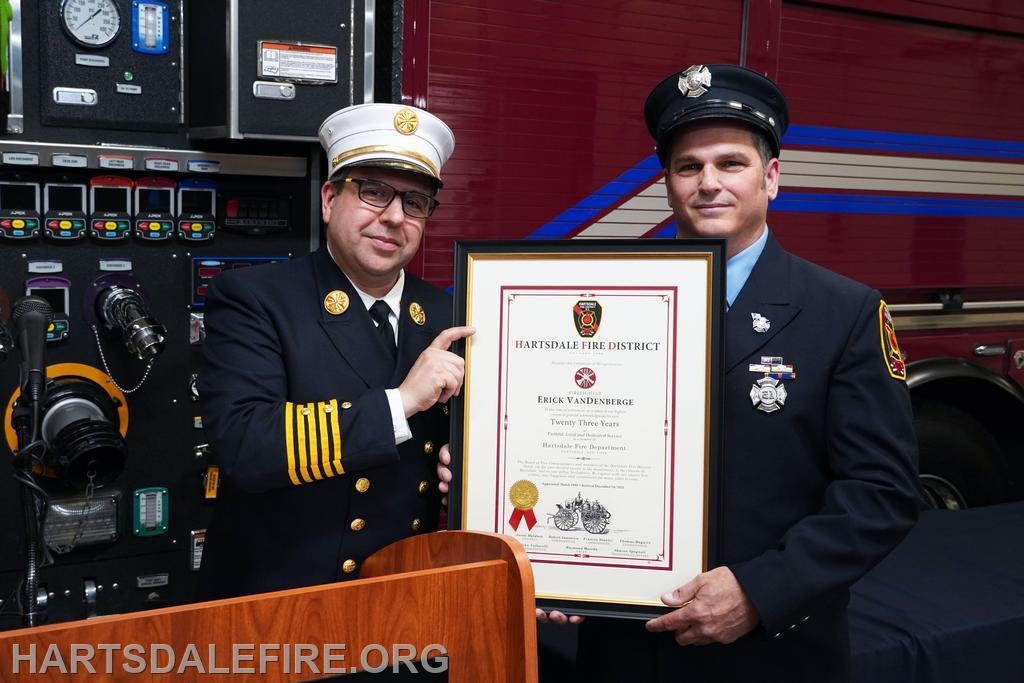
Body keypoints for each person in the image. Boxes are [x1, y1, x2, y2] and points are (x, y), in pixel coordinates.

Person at [572, 64, 921, 681]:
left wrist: (760, 592)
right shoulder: (605, 301)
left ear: (772, 177)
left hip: (769, 651)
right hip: (624, 646)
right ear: (668, 184)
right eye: (688, 167)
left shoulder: (844, 311)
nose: (709, 183)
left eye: (731, 163)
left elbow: (881, 493)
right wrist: (559, 559)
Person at [199, 102, 473, 599]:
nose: (393, 217)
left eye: (415, 202)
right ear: (329, 199)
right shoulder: (254, 299)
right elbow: (244, 446)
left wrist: (469, 475)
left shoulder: (445, 315)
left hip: (405, 595)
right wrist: (401, 402)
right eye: (373, 192)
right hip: (285, 602)